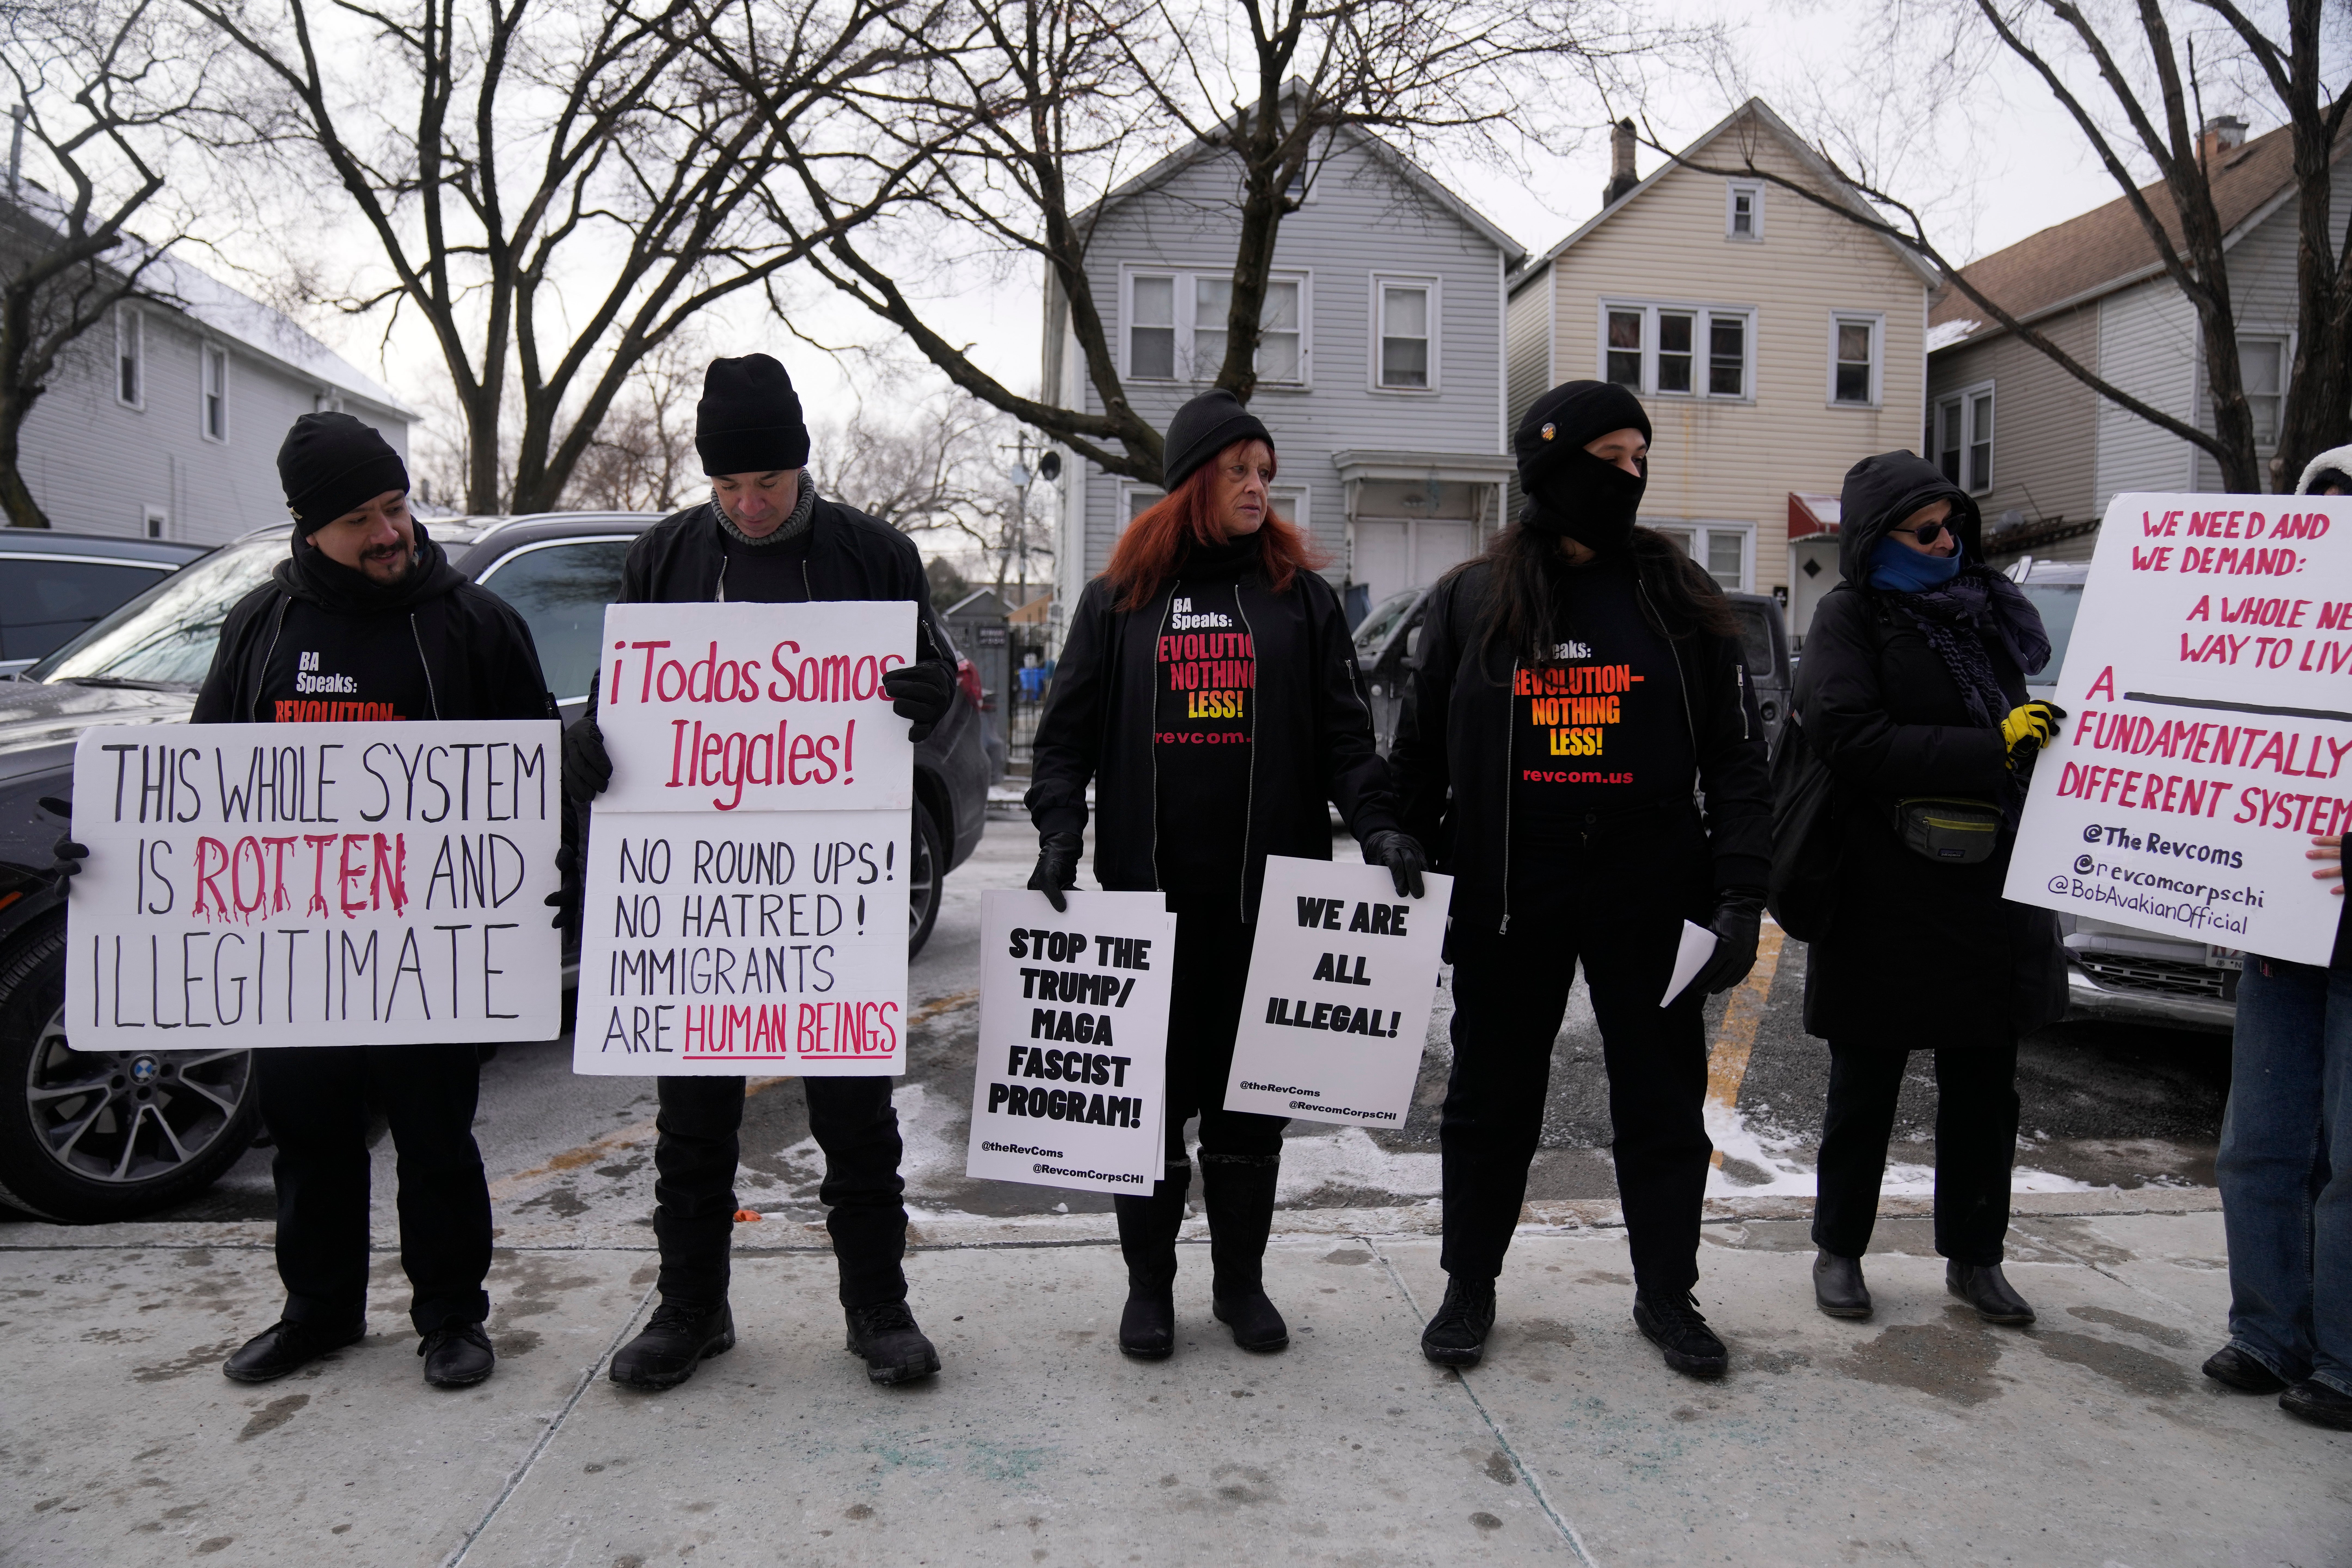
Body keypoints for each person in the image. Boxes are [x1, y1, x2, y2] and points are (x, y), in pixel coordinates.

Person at [48, 412, 564, 1389]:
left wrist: (544, 877)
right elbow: (194, 788)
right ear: (307, 526)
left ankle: (454, 1318)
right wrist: (113, 852)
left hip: (431, 953)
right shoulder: (264, 625)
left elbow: (532, 780)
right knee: (311, 1140)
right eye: (361, 518)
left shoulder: (474, 622)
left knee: (436, 1142)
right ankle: (319, 1313)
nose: (389, 532)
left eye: (396, 505)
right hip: (297, 955)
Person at [561, 353, 957, 1392]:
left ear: (802, 467)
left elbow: (933, 689)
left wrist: (931, 696)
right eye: (728, 486)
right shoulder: (664, 557)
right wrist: (592, 743)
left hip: (832, 889)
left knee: (854, 1119)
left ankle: (879, 1306)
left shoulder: (878, 554)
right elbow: (625, 696)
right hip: (699, 894)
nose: (747, 504)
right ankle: (692, 1305)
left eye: (767, 485)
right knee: (693, 1123)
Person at [1024, 388, 1425, 1360]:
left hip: (1264, 913)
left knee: (1250, 1111)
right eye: (1239, 472)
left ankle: (1240, 1286)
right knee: (1147, 1112)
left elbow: (1343, 740)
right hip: (1144, 914)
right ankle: (1148, 1293)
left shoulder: (1300, 600)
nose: (1259, 489)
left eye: (1266, 474)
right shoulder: (1119, 601)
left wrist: (1380, 829)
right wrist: (1056, 834)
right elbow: (1066, 739)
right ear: (1195, 482)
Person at [1389, 381, 1771, 1378]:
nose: (1633, 476)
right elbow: (1416, 759)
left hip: (1651, 883)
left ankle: (1667, 1294)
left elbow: (1736, 761)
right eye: (1612, 458)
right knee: (1489, 1100)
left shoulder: (1679, 596)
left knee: (1660, 1100)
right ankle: (1469, 1285)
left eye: (1641, 458)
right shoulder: (1475, 598)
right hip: (1513, 886)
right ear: (1554, 464)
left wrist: (1738, 895)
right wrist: (1397, 842)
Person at [1794, 449, 2065, 1329]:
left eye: (1955, 524)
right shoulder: (1848, 618)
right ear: (1880, 538)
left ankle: (1976, 1259)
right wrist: (1996, 748)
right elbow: (1852, 737)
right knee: (1865, 1085)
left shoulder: (1985, 616)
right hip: (1880, 885)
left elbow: (2020, 733)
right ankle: (1840, 1251)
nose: (1949, 540)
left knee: (1986, 1088)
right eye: (1927, 528)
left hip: (1988, 886)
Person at [2200, 443, 2352, 1431]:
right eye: (2323, 511)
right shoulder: (2275, 636)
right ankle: (2269, 1333)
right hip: (2285, 936)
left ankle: (2342, 1358)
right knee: (2257, 1146)